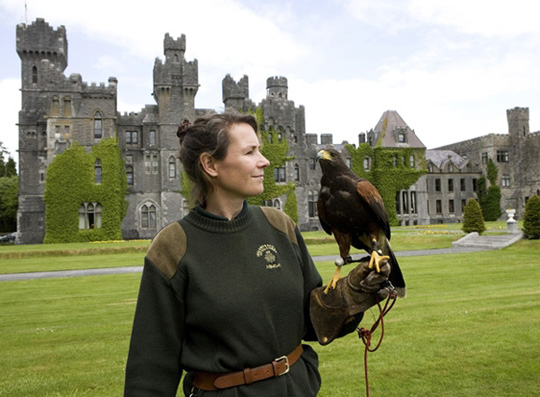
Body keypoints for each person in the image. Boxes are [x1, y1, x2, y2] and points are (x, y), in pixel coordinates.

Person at [124, 111, 391, 396]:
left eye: (260, 150)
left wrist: (349, 295)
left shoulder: (280, 226)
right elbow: (150, 368)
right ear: (210, 164)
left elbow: (313, 320)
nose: (264, 161)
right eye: (250, 152)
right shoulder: (173, 246)